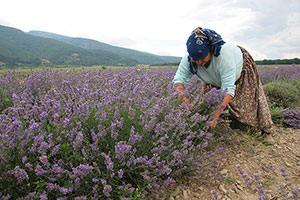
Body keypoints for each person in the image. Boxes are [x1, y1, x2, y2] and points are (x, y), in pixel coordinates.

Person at [173, 27, 275, 142]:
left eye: (202, 59)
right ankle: (215, 131)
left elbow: (228, 90)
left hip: (240, 69)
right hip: (212, 79)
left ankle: (266, 131)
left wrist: (216, 115)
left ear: (211, 50)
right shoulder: (189, 59)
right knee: (208, 104)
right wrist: (186, 102)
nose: (199, 63)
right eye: (195, 60)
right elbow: (178, 81)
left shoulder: (223, 57)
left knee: (250, 102)